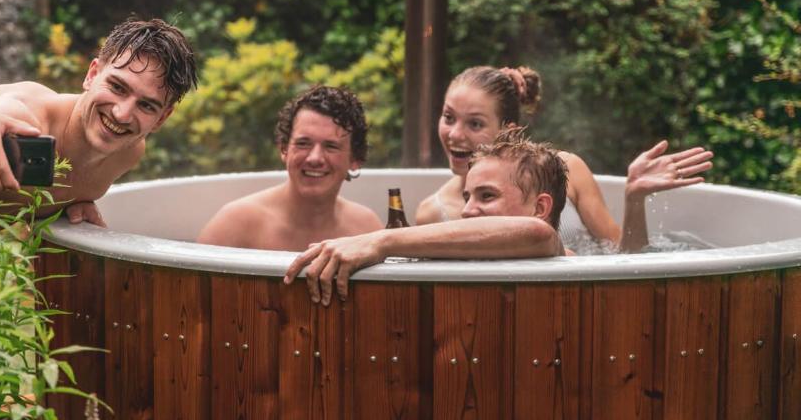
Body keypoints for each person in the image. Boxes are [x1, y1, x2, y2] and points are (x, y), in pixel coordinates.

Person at [285, 128, 712, 305]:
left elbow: (533, 235)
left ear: (541, 207)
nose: (469, 209)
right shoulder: (471, 249)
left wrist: (379, 241)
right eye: (469, 195)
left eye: (487, 196)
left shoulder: (547, 245)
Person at [0, 17, 198, 226]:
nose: (122, 114)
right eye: (117, 87)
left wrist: (68, 207)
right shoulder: (26, 122)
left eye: (146, 105)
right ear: (92, 75)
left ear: (162, 118)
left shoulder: (128, 153)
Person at [415, 65, 622, 243]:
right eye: (449, 117)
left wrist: (635, 199)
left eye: (475, 123)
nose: (455, 134)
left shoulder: (568, 169)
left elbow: (621, 254)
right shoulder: (432, 213)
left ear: (508, 132)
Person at [196, 85, 383, 250]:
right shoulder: (236, 224)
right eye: (303, 143)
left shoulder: (366, 230)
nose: (314, 158)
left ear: (355, 159)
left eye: (331, 146)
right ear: (284, 149)